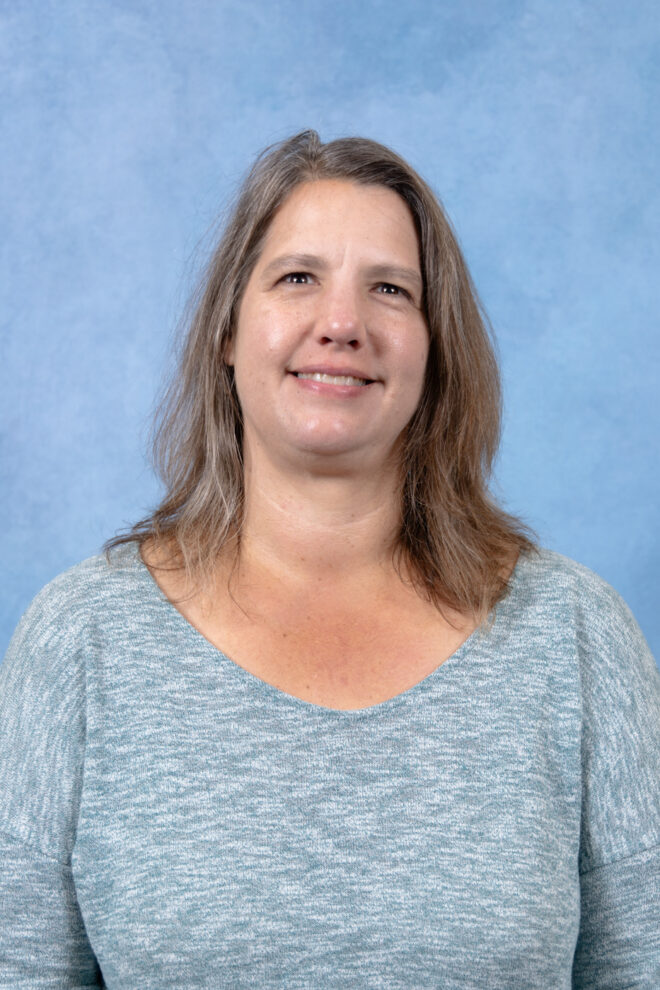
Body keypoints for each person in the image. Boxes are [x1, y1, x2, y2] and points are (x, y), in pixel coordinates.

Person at [0, 130, 658, 988]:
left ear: (435, 348)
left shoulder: (574, 636)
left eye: (390, 289)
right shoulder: (81, 641)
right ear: (228, 332)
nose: (342, 324)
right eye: (298, 278)